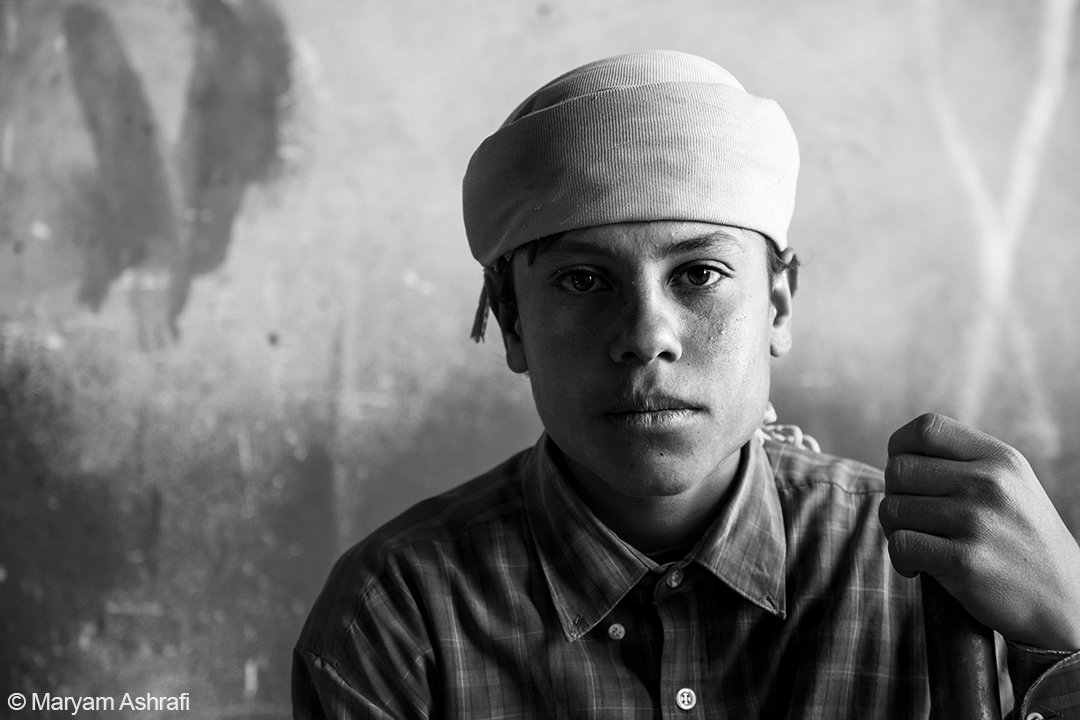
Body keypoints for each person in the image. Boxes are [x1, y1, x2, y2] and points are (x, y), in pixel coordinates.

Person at [292, 50, 1080, 718]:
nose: (645, 337)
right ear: (513, 323)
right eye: (580, 281)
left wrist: (1072, 631)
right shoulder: (399, 617)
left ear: (776, 305)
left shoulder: (929, 574)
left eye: (699, 274)